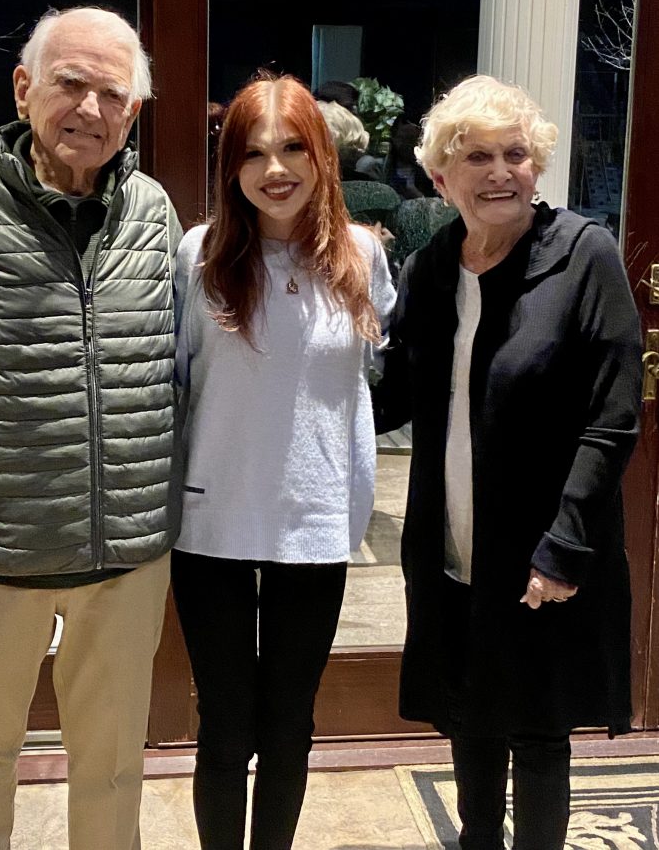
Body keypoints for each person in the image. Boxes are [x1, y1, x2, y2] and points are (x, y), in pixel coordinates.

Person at [0, 6, 183, 849]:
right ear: (24, 90)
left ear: (133, 113)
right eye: (71, 84)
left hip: (126, 555)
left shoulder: (153, 210)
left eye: (113, 94)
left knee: (110, 766)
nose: (91, 110)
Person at [373, 74, 642, 850]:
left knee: (536, 727)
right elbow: (393, 398)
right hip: (450, 546)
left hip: (543, 549)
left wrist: (565, 543)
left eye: (515, 154)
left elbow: (611, 417)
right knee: (466, 711)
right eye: (477, 156)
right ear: (440, 176)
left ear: (537, 164)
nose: (499, 172)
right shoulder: (430, 268)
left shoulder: (583, 255)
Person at [170, 72, 395, 850]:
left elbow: (371, 382)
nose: (275, 170)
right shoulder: (198, 255)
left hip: (316, 519)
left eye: (293, 147)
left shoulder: (361, 255)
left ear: (322, 154)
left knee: (291, 723)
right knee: (225, 724)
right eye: (253, 152)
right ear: (229, 166)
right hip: (211, 520)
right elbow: (174, 380)